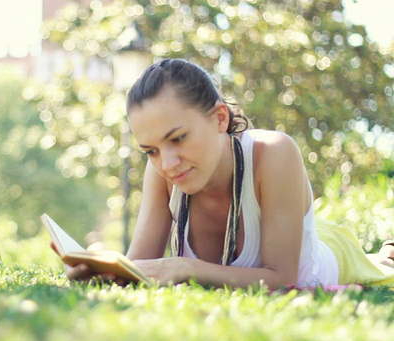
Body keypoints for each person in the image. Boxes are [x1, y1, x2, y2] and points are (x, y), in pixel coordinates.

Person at [64, 58, 394, 289]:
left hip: (330, 254)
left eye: (178, 138)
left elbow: (282, 279)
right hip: (289, 223)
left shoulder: (274, 153)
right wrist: (101, 266)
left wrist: (184, 266)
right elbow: (141, 267)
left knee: (382, 266)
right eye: (151, 150)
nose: (167, 163)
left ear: (220, 118)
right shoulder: (163, 173)